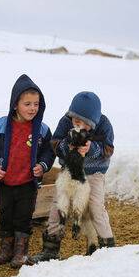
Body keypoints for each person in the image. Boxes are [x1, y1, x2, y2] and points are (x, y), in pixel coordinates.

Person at [0, 74, 55, 268]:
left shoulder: (42, 130)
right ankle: (6, 250)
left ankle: (21, 252)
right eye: (27, 104)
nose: (32, 108)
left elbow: (49, 150)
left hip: (27, 184)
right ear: (15, 104)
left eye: (36, 104)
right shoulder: (0, 126)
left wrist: (43, 165)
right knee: (5, 216)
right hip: (6, 182)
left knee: (23, 217)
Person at [33, 91, 115, 262]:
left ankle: (107, 247)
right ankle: (50, 249)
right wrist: (67, 146)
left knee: (96, 207)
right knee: (58, 206)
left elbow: (108, 150)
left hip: (94, 173)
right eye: (74, 119)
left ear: (92, 121)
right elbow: (54, 144)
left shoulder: (104, 124)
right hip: (69, 173)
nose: (76, 123)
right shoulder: (65, 122)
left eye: (82, 122)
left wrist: (91, 148)